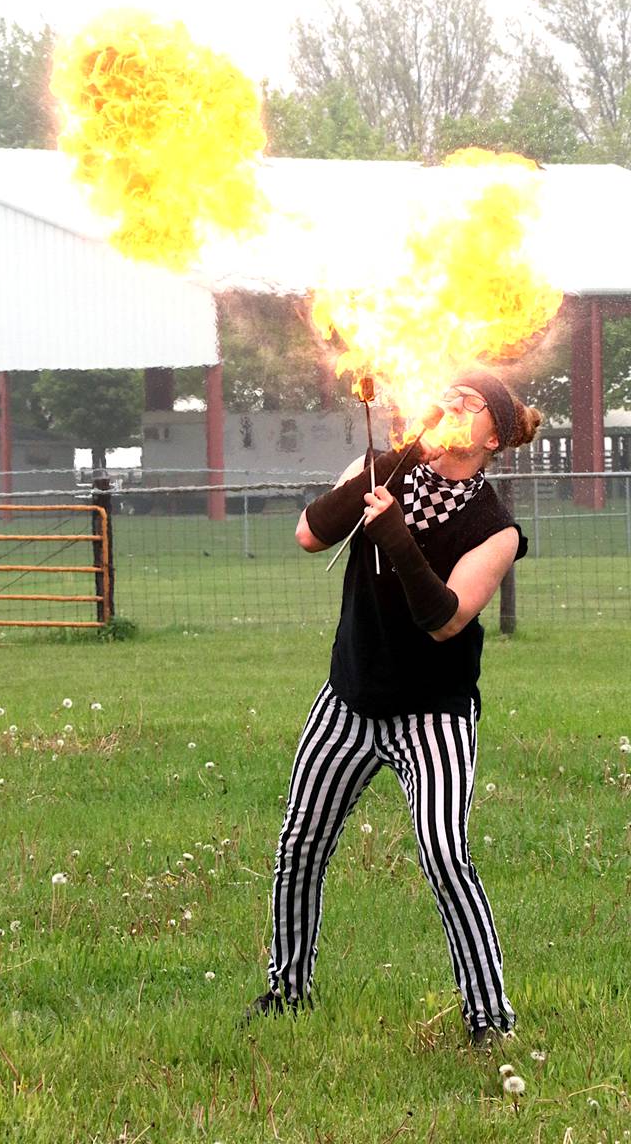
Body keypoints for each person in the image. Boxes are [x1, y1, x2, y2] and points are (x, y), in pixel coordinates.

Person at [247, 370, 541, 1047]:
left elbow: (444, 619)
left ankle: (490, 1019)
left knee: (445, 855)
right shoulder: (385, 464)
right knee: (300, 844)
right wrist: (394, 459)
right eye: (451, 394)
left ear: (490, 435)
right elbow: (310, 535)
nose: (451, 402)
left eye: (468, 403)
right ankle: (288, 991)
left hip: (432, 715)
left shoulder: (496, 529)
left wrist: (396, 536)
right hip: (349, 700)